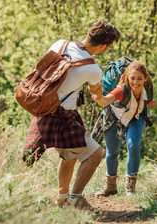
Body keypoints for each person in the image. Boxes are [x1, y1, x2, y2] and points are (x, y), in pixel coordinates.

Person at [23, 21, 120, 212]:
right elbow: (99, 98)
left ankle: (62, 199)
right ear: (102, 46)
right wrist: (112, 95)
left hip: (43, 109)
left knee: (69, 155)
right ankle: (76, 199)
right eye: (108, 48)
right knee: (95, 154)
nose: (106, 51)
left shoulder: (60, 44)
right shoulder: (92, 69)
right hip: (61, 117)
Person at [92, 61, 156, 196]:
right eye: (132, 78)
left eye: (139, 78)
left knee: (133, 146)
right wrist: (98, 96)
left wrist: (150, 103)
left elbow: (148, 101)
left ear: (145, 78)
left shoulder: (148, 87)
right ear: (127, 78)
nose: (136, 82)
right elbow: (104, 101)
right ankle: (110, 187)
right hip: (114, 119)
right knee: (112, 153)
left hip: (136, 118)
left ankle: (130, 188)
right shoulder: (121, 90)